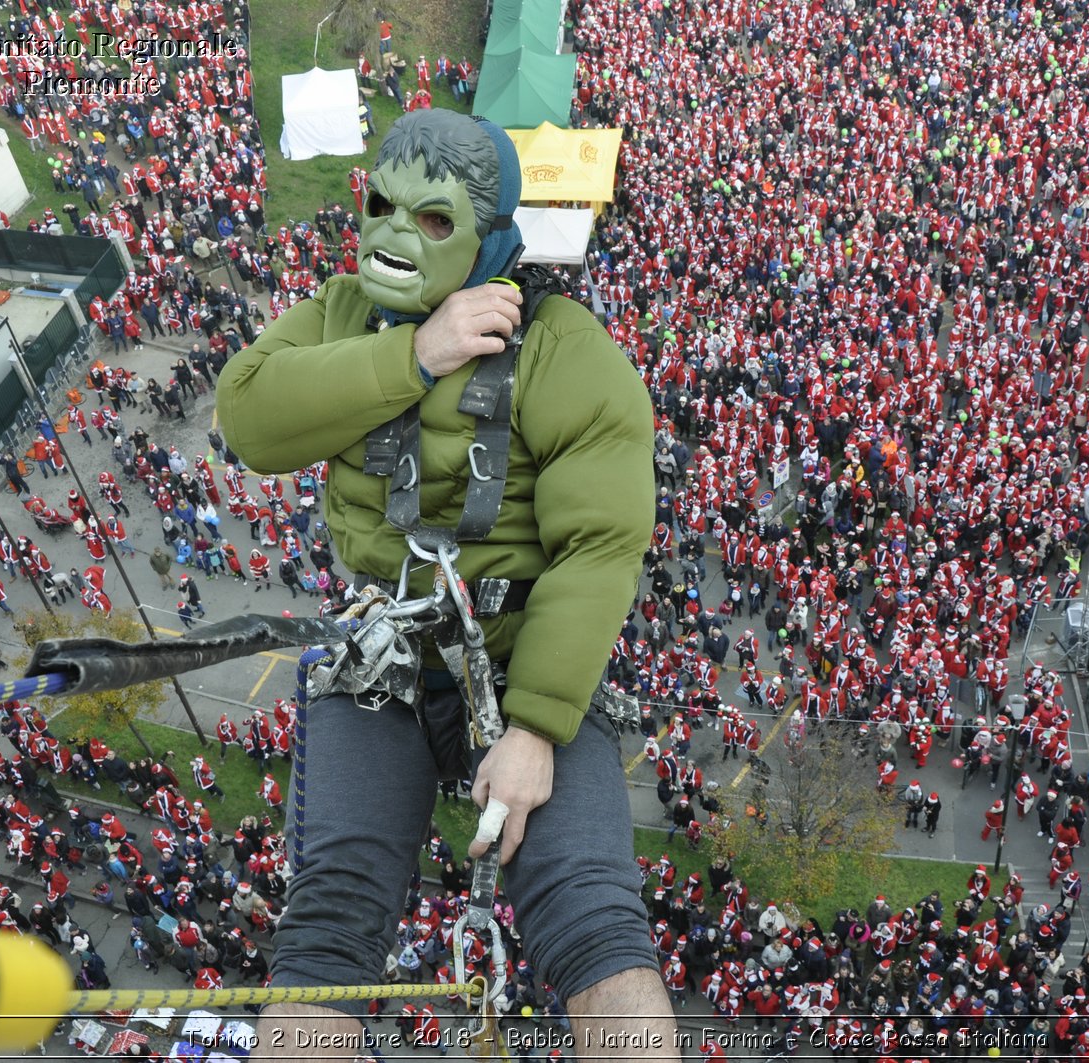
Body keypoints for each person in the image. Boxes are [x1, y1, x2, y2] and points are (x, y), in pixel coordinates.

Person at [218, 110, 671, 1059]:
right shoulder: (343, 316)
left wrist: (539, 727)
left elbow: (601, 543)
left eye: (431, 220)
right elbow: (251, 418)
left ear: (490, 230)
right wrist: (412, 354)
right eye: (381, 204)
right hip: (382, 654)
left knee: (591, 916)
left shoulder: (563, 350)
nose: (390, 233)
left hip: (518, 659)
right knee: (329, 926)